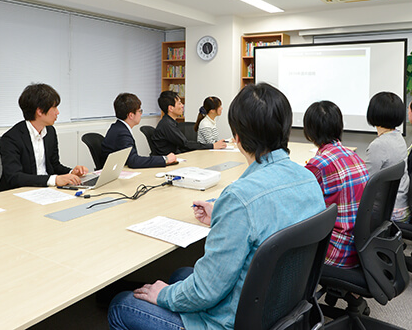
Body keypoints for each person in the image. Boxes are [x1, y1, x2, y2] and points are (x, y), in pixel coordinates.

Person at [108, 83, 326, 330]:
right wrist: (224, 218)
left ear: (238, 137)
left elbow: (205, 292)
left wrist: (163, 296)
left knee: (121, 304)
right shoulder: (308, 178)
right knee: (180, 274)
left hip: (235, 321)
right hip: (283, 306)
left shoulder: (240, 198)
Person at [303, 100, 369, 269]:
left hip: (337, 251)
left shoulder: (318, 166)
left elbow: (298, 208)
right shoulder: (354, 155)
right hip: (363, 247)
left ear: (309, 132)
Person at [0, 83, 88, 191]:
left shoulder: (50, 131)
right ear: (40, 111)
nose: (58, 112)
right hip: (19, 193)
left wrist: (71, 172)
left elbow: (54, 165)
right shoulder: (11, 139)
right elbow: (15, 177)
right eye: (54, 107)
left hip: (47, 191)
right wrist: (54, 180)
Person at [365, 92, 411, 222]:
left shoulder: (378, 145)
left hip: (389, 211)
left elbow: (365, 183)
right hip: (400, 204)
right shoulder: (398, 137)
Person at [102, 93, 176, 168]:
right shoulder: (122, 133)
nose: (141, 114)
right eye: (140, 111)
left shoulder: (118, 127)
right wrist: (165, 159)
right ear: (131, 115)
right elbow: (134, 161)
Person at [151, 91, 226, 155]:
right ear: (171, 108)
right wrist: (212, 146)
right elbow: (185, 144)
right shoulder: (167, 125)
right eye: (179, 103)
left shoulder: (170, 122)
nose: (182, 105)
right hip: (169, 161)